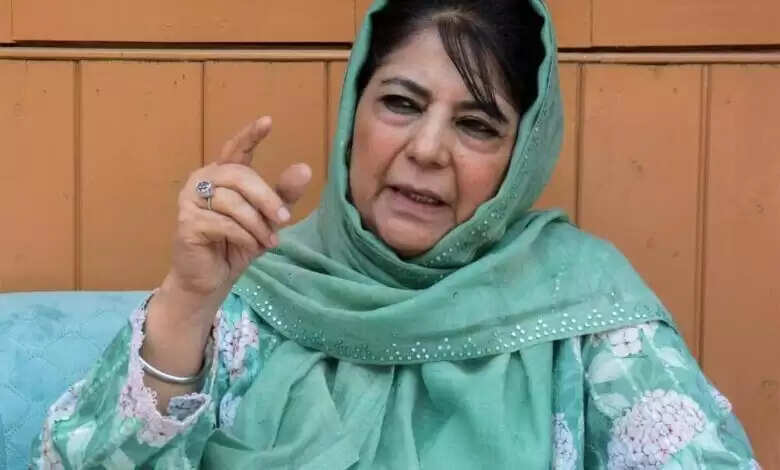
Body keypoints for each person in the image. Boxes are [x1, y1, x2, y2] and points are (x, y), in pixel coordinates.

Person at [33, 0, 760, 468]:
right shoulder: (251, 291)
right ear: (354, 115)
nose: (427, 149)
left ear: (524, 156)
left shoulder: (585, 313)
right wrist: (187, 302)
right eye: (402, 104)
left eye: (477, 125)